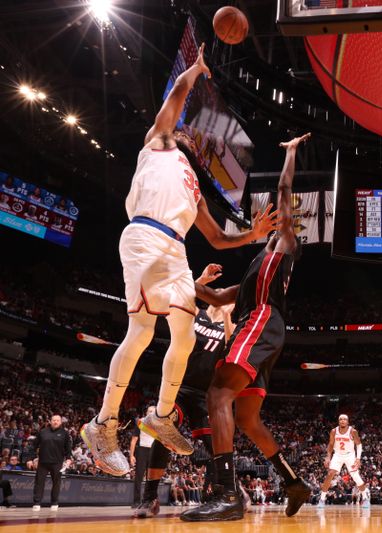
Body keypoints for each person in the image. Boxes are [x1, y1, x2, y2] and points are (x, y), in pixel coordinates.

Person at [81, 43, 279, 477]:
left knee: (185, 338)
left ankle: (161, 414)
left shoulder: (194, 188)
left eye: (191, 135)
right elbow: (173, 104)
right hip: (145, 235)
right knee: (142, 330)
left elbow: (218, 239)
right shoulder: (159, 146)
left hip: (176, 251)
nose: (188, 135)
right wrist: (194, 71)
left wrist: (254, 234)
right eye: (186, 132)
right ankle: (103, 423)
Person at [180, 133, 313, 522]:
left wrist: (289, 153)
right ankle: (293, 482)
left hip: (260, 322)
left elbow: (285, 189)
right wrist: (182, 281)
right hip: (261, 326)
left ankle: (226, 495)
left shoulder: (284, 245)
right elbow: (220, 299)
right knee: (246, 418)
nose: (274, 227)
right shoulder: (260, 267)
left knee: (218, 394)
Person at [133, 264, 232, 518]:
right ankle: (149, 497)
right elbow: (181, 295)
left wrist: (229, 310)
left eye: (225, 296)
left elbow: (231, 347)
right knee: (164, 432)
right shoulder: (196, 314)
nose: (220, 296)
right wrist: (201, 280)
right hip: (177, 386)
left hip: (205, 395)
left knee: (217, 444)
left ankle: (231, 491)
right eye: (216, 293)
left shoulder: (228, 328)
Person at [318, 414, 370, 508]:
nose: (342, 421)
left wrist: (358, 458)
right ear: (338, 421)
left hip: (350, 455)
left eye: (344, 419)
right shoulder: (334, 431)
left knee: (356, 477)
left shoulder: (353, 431)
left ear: (347, 421)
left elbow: (358, 445)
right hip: (337, 454)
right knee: (330, 474)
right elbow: (330, 445)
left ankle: (365, 498)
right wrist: (328, 457)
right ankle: (322, 499)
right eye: (340, 419)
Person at [32, 414, 72, 511]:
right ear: (50, 421)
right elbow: (34, 445)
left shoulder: (65, 433)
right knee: (39, 483)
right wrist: (32, 458)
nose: (55, 422)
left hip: (57, 462)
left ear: (60, 422)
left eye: (57, 420)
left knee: (56, 483)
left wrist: (68, 458)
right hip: (43, 462)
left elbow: (68, 448)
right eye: (54, 420)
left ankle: (54, 503)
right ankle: (37, 503)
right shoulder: (43, 432)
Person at [130, 406, 156, 508]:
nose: (151, 413)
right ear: (146, 412)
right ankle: (136, 501)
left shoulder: (158, 424)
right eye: (149, 411)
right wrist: (131, 455)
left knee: (151, 479)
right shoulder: (140, 422)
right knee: (139, 477)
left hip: (153, 451)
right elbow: (134, 440)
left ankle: (148, 501)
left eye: (153, 412)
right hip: (142, 450)